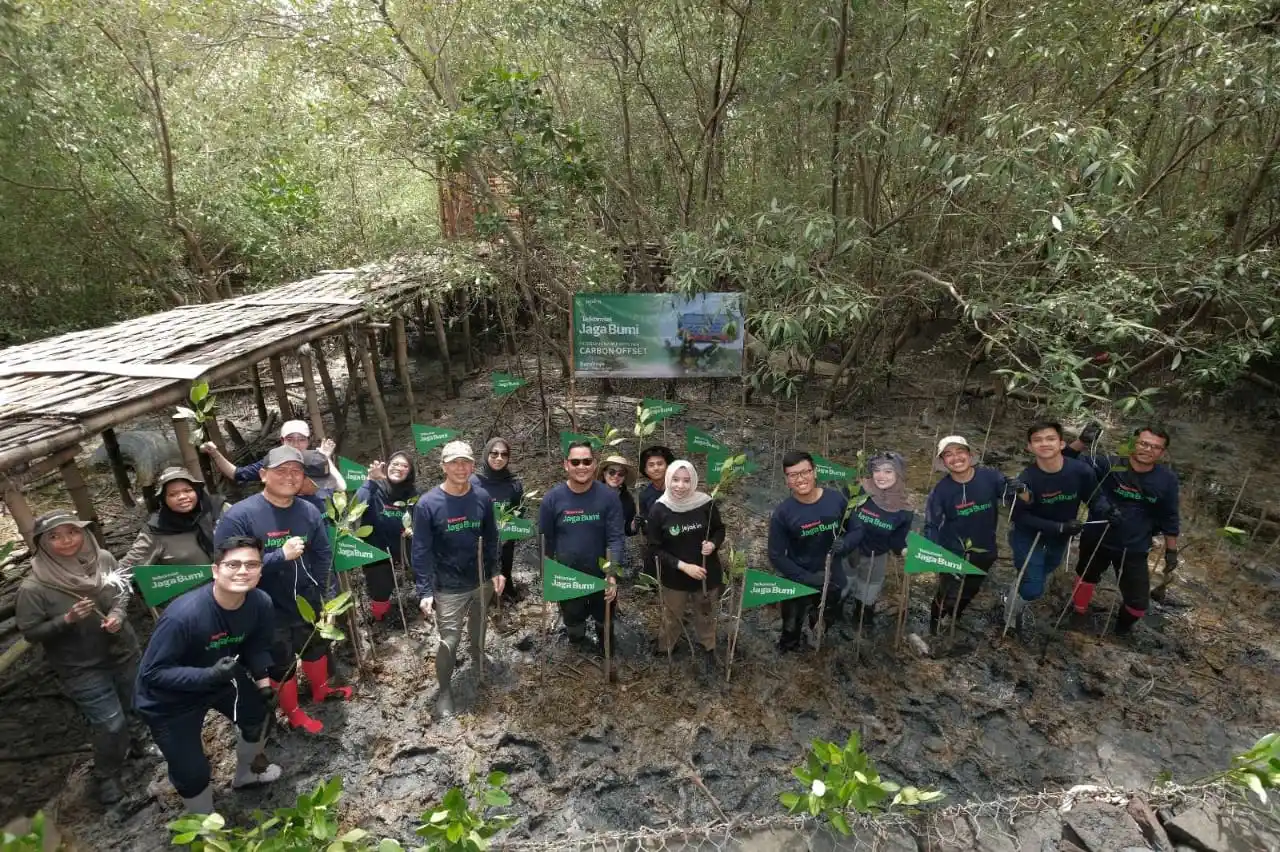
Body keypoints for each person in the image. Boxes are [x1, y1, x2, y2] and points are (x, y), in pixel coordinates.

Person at [135, 537, 280, 814]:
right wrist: (209, 675)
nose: (242, 571)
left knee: (260, 717)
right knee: (193, 771)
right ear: (215, 570)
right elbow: (154, 673)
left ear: (260, 570)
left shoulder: (260, 603)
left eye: (251, 564)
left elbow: (256, 646)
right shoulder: (184, 616)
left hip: (222, 677)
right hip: (169, 699)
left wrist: (263, 685)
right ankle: (203, 822)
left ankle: (246, 775)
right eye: (233, 564)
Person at [213, 445, 345, 734]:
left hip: (306, 600)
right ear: (263, 474)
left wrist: (327, 599)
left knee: (315, 647)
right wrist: (278, 556)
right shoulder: (240, 516)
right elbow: (231, 569)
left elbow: (323, 556)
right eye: (281, 470)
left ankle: (321, 690)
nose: (290, 476)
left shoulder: (308, 510)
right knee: (280, 662)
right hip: (264, 608)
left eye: (296, 471)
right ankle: (294, 713)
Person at [16, 510, 141, 805]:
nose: (66, 541)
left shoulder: (105, 559)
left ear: (83, 533)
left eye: (72, 532)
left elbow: (123, 590)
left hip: (122, 650)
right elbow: (31, 633)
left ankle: (139, 743)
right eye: (55, 537)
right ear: (41, 543)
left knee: (135, 703)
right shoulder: (35, 588)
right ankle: (107, 774)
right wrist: (66, 620)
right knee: (110, 723)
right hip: (81, 667)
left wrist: (118, 614)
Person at [412, 441, 502, 716]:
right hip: (448, 587)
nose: (460, 468)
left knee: (479, 624)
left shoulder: (482, 498)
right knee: (448, 640)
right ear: (443, 467)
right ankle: (445, 690)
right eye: (454, 462)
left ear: (473, 466)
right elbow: (421, 551)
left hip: (480, 580)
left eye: (465, 462)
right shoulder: (428, 504)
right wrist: (424, 590)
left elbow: (491, 539)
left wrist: (496, 571)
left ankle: (477, 657)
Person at [1064, 424, 1180, 635]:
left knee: (1137, 605)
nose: (1147, 449)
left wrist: (1171, 551)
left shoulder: (1167, 480)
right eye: (1144, 443)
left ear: (1162, 453)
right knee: (1086, 577)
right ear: (1133, 443)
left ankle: (1122, 628)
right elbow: (1064, 462)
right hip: (1098, 537)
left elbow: (1169, 515)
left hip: (1134, 546)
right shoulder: (1109, 464)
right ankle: (1078, 613)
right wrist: (1082, 441)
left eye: (1155, 447)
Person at [1003, 422, 1118, 633]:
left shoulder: (1081, 471)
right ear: (1029, 447)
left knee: (1045, 569)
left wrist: (1107, 510)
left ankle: (1015, 591)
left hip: (1060, 537)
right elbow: (1019, 517)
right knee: (1033, 588)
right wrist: (1059, 527)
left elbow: (1095, 498)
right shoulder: (1025, 479)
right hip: (1029, 536)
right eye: (1037, 440)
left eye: (1050, 439)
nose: (1044, 444)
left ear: (1061, 443)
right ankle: (1009, 618)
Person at [925, 436, 1021, 634]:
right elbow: (931, 525)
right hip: (953, 552)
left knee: (970, 591)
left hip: (985, 550)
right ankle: (934, 623)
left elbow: (1019, 500)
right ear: (943, 462)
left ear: (970, 455)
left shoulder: (990, 477)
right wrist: (933, 554)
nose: (956, 458)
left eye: (960, 451)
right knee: (947, 593)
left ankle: (954, 618)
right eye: (948, 454)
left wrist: (1021, 489)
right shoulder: (940, 491)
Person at [538, 441, 625, 655]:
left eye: (586, 461)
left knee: (604, 621)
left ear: (594, 464)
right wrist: (548, 576)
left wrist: (611, 573)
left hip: (601, 574)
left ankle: (606, 652)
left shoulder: (609, 497)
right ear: (566, 465)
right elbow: (545, 540)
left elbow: (615, 538)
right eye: (575, 462)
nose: (581, 466)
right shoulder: (552, 499)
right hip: (568, 576)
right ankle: (578, 645)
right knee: (574, 623)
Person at [768, 450, 855, 652]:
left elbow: (856, 529)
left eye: (805, 472)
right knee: (790, 627)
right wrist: (808, 578)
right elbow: (776, 555)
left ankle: (816, 632)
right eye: (793, 475)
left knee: (825, 618)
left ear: (815, 472)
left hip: (832, 576)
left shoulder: (837, 500)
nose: (800, 479)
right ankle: (789, 652)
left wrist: (846, 542)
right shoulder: (783, 514)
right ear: (787, 480)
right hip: (797, 577)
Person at [646, 460, 725, 676]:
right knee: (672, 615)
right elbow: (654, 549)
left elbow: (719, 529)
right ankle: (666, 648)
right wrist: (682, 566)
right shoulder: (659, 510)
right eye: (675, 480)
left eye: (686, 480)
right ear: (668, 479)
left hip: (706, 575)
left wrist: (713, 544)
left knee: (705, 613)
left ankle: (708, 647)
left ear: (694, 481)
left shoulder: (705, 503)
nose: (680, 486)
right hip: (675, 578)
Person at [200, 420, 345, 512]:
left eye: (301, 439)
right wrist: (215, 453)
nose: (296, 444)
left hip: (323, 518)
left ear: (308, 441)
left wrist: (325, 458)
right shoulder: (273, 461)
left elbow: (341, 487)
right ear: (282, 441)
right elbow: (236, 473)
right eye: (290, 439)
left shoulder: (316, 459)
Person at [843, 452, 913, 633]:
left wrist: (905, 551)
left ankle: (862, 618)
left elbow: (897, 539)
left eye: (888, 472)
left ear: (899, 474)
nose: (881, 476)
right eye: (877, 470)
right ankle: (833, 612)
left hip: (877, 555)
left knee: (869, 590)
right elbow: (839, 516)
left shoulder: (904, 510)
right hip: (848, 550)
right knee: (842, 585)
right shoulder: (857, 491)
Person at [120, 467, 228, 573]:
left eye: (188, 490)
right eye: (173, 494)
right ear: (164, 500)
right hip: (194, 587)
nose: (182, 497)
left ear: (197, 491)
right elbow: (128, 566)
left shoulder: (219, 509)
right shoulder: (156, 529)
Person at [356, 450, 419, 622]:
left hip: (404, 545)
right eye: (395, 464)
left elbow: (420, 515)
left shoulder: (413, 493)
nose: (399, 468)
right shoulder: (375, 488)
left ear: (410, 471)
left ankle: (427, 602)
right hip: (377, 549)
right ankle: (379, 618)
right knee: (380, 588)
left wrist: (414, 527)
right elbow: (356, 508)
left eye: (405, 466)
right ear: (387, 466)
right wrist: (370, 481)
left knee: (426, 562)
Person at [471, 437, 526, 602]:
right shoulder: (474, 481)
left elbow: (520, 509)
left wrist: (509, 530)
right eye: (494, 454)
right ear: (487, 454)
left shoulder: (514, 484)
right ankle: (482, 597)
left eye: (504, 454)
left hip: (505, 536)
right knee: (481, 567)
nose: (499, 458)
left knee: (505, 561)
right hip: (479, 536)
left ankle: (506, 590)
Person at [598, 455, 639, 536]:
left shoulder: (628, 499)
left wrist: (634, 525)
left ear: (624, 477)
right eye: (612, 472)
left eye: (621, 473)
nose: (616, 476)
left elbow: (628, 530)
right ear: (604, 472)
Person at [636, 445, 676, 529]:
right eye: (651, 465)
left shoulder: (679, 488)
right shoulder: (644, 495)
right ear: (645, 470)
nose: (656, 468)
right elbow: (646, 529)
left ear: (668, 466)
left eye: (660, 464)